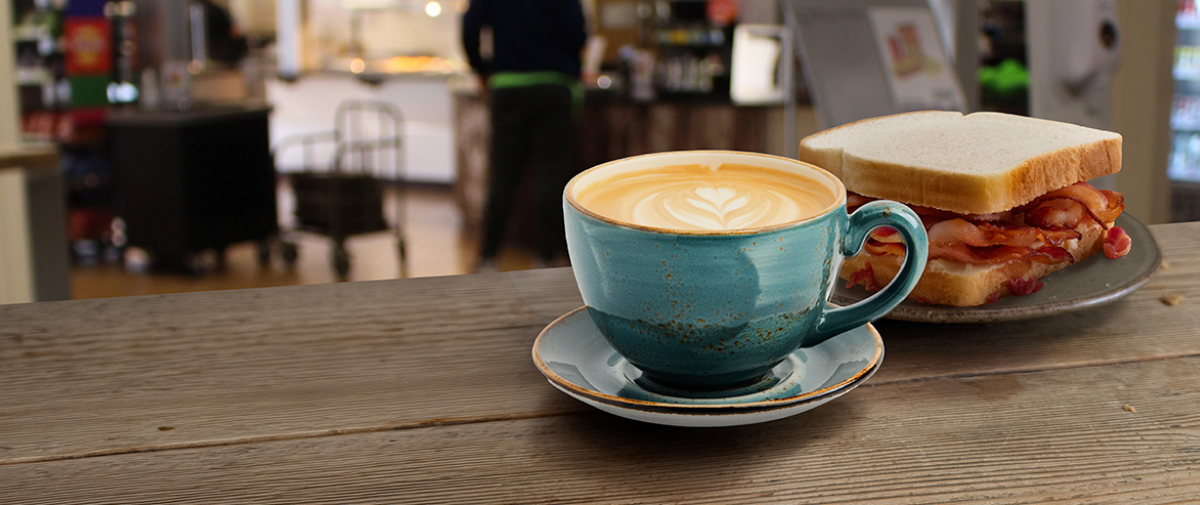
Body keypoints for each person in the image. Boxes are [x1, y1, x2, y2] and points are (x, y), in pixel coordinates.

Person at [461, 0, 587, 271]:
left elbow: (470, 29)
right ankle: (547, 257)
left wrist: (481, 69)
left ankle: (488, 257)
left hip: (508, 86)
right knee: (550, 177)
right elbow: (577, 32)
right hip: (555, 84)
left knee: (502, 177)